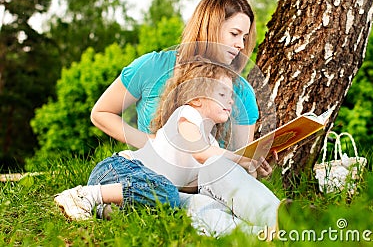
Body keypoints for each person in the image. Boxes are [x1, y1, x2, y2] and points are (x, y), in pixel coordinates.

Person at [59, 0, 281, 236]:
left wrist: (253, 163)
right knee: (166, 191)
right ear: (210, 29)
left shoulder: (239, 90)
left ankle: (271, 229)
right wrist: (151, 142)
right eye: (234, 34)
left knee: (199, 200)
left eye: (245, 37)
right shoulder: (156, 71)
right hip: (127, 175)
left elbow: (229, 165)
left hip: (177, 193)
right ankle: (96, 199)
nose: (241, 45)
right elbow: (101, 112)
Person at [54, 59, 279, 231]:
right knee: (167, 194)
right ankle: (85, 195)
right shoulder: (187, 116)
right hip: (119, 172)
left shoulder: (210, 141)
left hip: (140, 192)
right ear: (196, 98)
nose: (230, 100)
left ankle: (264, 230)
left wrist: (252, 169)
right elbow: (202, 153)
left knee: (186, 203)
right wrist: (241, 158)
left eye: (231, 95)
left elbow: (196, 184)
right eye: (222, 93)